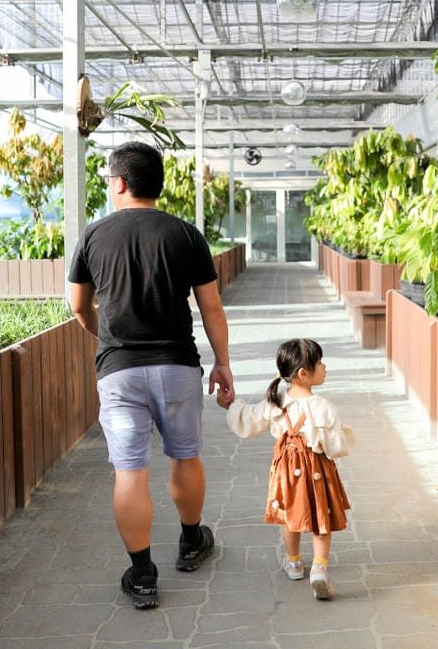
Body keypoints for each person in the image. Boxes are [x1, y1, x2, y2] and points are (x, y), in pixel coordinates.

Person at [68, 141, 235, 610]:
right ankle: (189, 542)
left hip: (119, 371)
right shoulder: (186, 235)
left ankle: (142, 575)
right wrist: (222, 363)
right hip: (178, 366)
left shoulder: (93, 235)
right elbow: (212, 308)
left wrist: (103, 335)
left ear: (120, 183)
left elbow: (78, 306)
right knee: (184, 455)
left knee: (130, 470)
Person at [217, 338, 353, 600]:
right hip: (316, 469)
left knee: (291, 515)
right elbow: (335, 446)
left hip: (285, 471)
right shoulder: (324, 408)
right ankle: (319, 568)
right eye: (321, 363)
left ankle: (293, 563)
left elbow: (247, 421)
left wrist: (231, 405)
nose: (325, 367)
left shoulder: (274, 402)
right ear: (304, 373)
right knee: (320, 516)